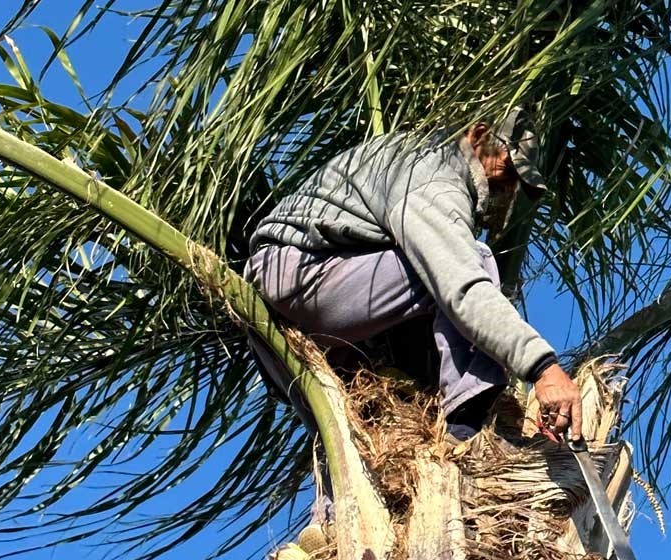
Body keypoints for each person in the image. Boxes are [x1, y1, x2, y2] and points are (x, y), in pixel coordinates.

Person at [244, 108, 583, 441]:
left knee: (364, 442)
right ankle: (467, 422)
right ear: (479, 136)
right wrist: (543, 368)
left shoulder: (417, 163)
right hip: (300, 273)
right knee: (469, 259)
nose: (507, 189)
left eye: (516, 184)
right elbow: (461, 287)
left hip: (296, 313)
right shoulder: (433, 170)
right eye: (508, 171)